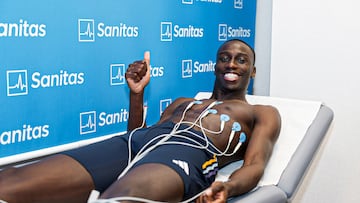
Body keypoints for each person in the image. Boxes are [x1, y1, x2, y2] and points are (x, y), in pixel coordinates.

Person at [0, 39, 281, 203]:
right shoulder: (182, 102)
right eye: (225, 58)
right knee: (11, 181)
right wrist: (137, 95)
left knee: (124, 198)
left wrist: (227, 188)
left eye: (241, 60)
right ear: (216, 65)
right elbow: (139, 136)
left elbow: (255, 164)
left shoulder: (262, 112)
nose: (231, 64)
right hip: (135, 143)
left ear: (252, 71)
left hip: (190, 152)